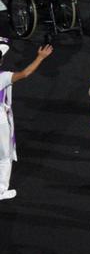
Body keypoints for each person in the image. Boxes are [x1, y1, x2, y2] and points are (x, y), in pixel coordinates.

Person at [0, 42, 53, 200]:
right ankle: (1, 190)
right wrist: (40, 58)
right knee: (4, 157)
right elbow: (24, 74)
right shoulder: (2, 77)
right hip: (0, 121)